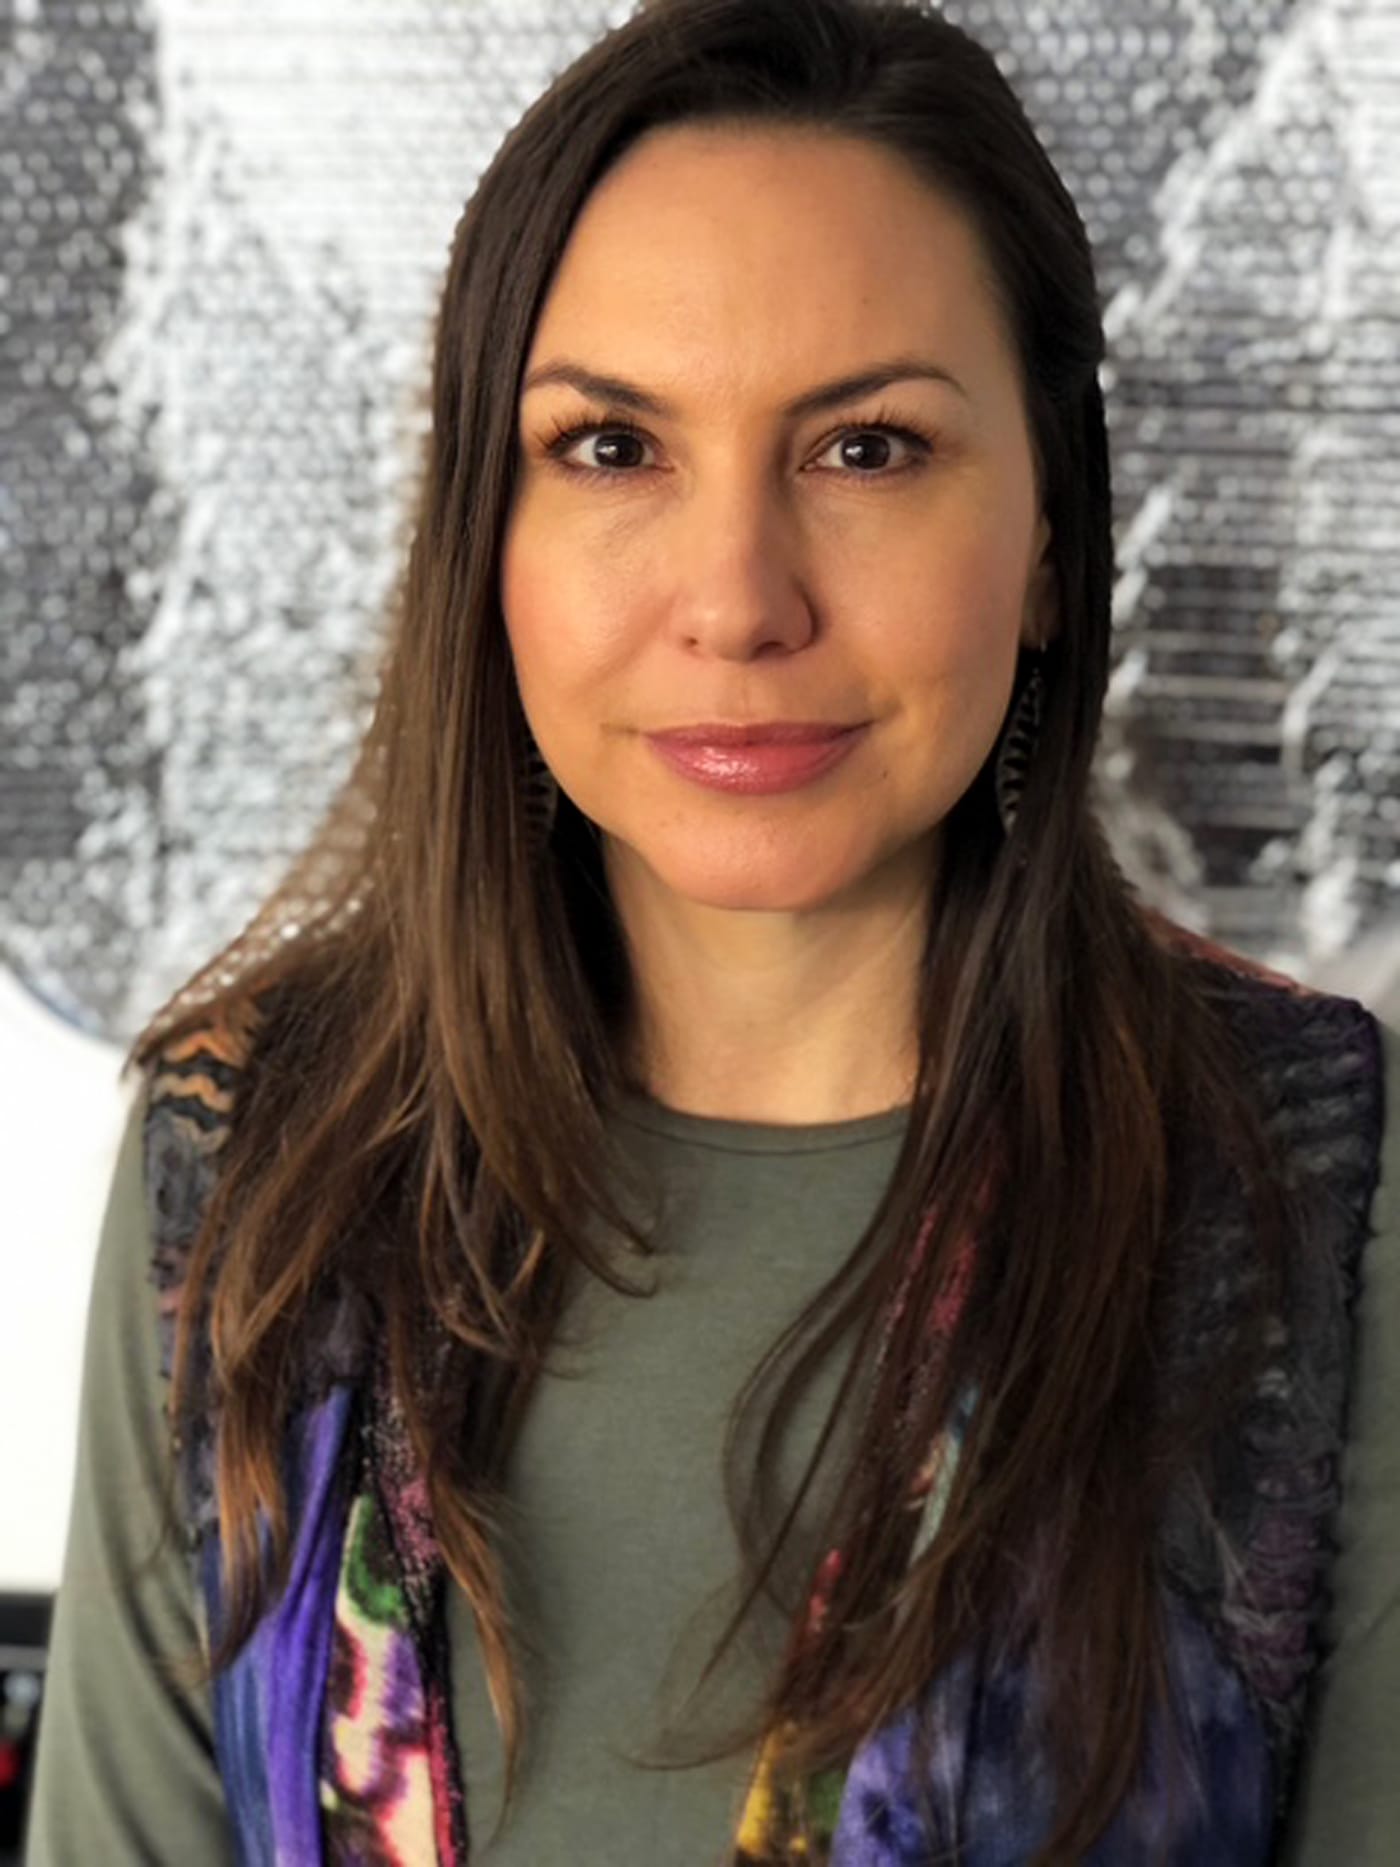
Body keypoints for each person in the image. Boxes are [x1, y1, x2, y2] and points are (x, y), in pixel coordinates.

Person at [25, 0, 1399, 1861]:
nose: (738, 599)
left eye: (867, 450)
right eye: (611, 448)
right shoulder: (251, 1154)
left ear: (1050, 540)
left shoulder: (1317, 1187)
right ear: (483, 532)